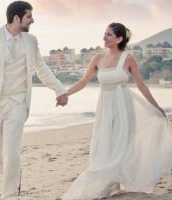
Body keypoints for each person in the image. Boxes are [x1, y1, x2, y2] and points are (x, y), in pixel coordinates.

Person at [0, 1, 68, 199]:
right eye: (29, 16)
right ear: (17, 18)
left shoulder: (31, 41)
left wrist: (59, 90)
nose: (33, 20)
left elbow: (41, 68)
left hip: (18, 102)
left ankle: (10, 195)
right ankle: (14, 174)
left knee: (11, 153)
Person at [62, 22, 172, 200]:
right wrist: (65, 94)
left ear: (119, 38)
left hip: (124, 106)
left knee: (121, 145)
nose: (104, 37)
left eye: (108, 35)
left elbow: (141, 85)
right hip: (105, 106)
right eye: (104, 34)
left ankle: (117, 183)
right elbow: (83, 82)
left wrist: (156, 107)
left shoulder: (128, 59)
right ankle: (110, 186)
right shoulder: (97, 58)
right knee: (103, 144)